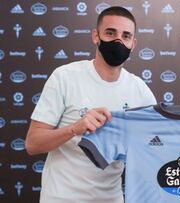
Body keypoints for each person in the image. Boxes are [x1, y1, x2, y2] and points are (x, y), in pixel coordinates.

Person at [25, 6, 156, 203]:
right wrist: (74, 129)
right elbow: (32, 144)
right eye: (110, 33)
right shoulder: (65, 77)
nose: (118, 41)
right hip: (61, 198)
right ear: (96, 36)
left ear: (133, 44)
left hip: (111, 198)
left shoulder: (139, 90)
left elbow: (157, 143)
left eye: (126, 36)